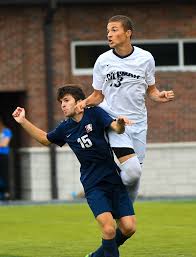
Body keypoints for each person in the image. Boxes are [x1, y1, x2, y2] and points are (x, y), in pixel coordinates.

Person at [12, 85, 136, 257]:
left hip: (113, 179)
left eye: (66, 101)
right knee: (108, 229)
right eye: (61, 102)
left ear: (79, 102)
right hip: (93, 184)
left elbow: (117, 128)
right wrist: (23, 121)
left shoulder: (95, 113)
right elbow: (44, 139)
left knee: (129, 227)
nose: (62, 105)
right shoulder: (65, 128)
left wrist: (121, 123)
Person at [75, 15, 175, 202]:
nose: (109, 35)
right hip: (113, 119)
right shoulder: (103, 60)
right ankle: (105, 191)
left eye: (114, 30)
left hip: (138, 122)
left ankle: (125, 220)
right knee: (133, 171)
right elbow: (97, 96)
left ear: (128, 33)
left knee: (134, 176)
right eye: (108, 31)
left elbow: (151, 91)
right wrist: (83, 103)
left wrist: (160, 96)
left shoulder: (145, 58)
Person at [0, 116, 12, 200]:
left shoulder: (6, 131)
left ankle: (6, 193)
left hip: (3, 156)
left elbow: (4, 144)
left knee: (5, 174)